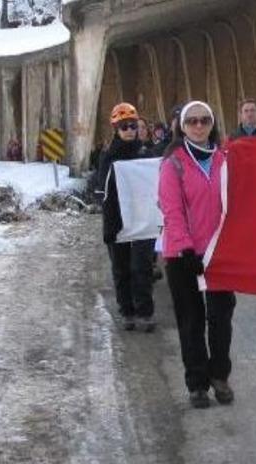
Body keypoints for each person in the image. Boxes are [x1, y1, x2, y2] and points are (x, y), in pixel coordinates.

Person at [158, 100, 236, 409]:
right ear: (182, 127)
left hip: (219, 252)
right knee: (191, 320)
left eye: (205, 120)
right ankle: (197, 383)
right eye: (192, 121)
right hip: (184, 254)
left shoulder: (225, 160)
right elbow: (171, 209)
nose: (199, 126)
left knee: (221, 318)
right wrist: (185, 246)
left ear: (212, 124)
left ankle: (219, 375)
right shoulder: (173, 163)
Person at [100, 102, 157, 333]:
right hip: (118, 222)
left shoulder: (146, 154)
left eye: (133, 125)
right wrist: (109, 226)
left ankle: (145, 311)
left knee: (141, 267)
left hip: (142, 221)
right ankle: (127, 311)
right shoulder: (108, 157)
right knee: (121, 269)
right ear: (116, 129)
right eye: (124, 126)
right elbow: (102, 193)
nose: (130, 130)